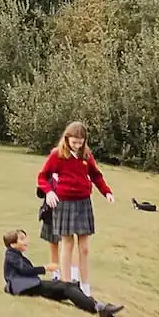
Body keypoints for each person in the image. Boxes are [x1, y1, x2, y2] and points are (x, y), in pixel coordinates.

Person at [34, 122, 116, 293]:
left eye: (81, 142)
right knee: (67, 244)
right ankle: (67, 284)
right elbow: (42, 177)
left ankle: (85, 286)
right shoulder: (57, 155)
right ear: (67, 139)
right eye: (74, 142)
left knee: (84, 248)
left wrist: (106, 191)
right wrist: (49, 192)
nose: (77, 146)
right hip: (64, 202)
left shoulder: (86, 155)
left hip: (83, 202)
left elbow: (95, 175)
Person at [0, 229, 120, 317]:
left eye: (25, 238)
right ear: (12, 244)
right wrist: (46, 268)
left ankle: (99, 307)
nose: (26, 241)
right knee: (66, 287)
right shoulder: (11, 255)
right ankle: (98, 308)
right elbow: (25, 270)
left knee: (70, 287)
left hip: (30, 286)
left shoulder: (14, 254)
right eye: (22, 239)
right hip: (26, 288)